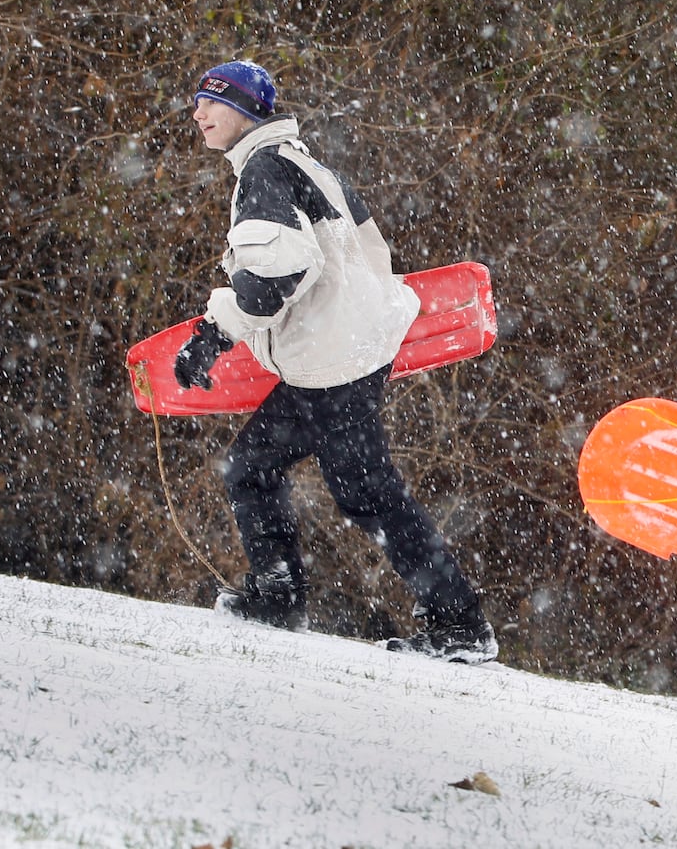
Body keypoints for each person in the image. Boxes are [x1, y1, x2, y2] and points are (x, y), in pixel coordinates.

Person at [173, 59, 497, 664]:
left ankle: (459, 627)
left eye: (210, 102)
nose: (197, 113)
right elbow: (371, 247)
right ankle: (278, 593)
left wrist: (216, 335)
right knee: (252, 467)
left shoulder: (265, 170)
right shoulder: (305, 162)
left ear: (245, 111)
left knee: (365, 492)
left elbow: (274, 276)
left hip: (332, 364)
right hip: (344, 352)